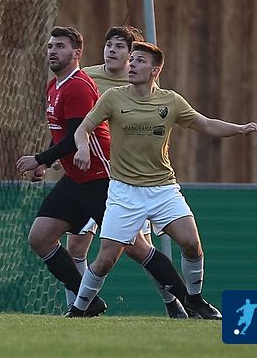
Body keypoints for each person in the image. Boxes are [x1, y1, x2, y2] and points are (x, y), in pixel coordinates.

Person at [68, 41, 257, 318]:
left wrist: (241, 128)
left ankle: (194, 300)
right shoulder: (113, 97)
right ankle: (78, 309)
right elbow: (83, 129)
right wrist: (82, 147)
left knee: (191, 243)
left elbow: (205, 124)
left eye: (139, 61)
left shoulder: (170, 101)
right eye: (132, 59)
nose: (132, 65)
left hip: (162, 188)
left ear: (155, 70)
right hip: (124, 191)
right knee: (106, 259)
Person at [16, 27, 193, 318]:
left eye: (59, 46)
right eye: (50, 46)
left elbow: (79, 132)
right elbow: (66, 132)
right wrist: (48, 161)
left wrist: (41, 159)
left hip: (108, 178)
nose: (52, 51)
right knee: (45, 238)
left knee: (137, 248)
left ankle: (184, 302)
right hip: (77, 177)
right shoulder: (61, 84)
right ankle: (83, 303)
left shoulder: (91, 86)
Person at [65, 26, 185, 318]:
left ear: (134, 57)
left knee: (137, 249)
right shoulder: (87, 77)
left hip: (125, 179)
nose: (112, 50)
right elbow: (75, 123)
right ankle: (77, 308)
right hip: (88, 174)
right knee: (76, 245)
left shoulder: (142, 85)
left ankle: (175, 302)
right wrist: (63, 153)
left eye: (120, 47)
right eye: (109, 44)